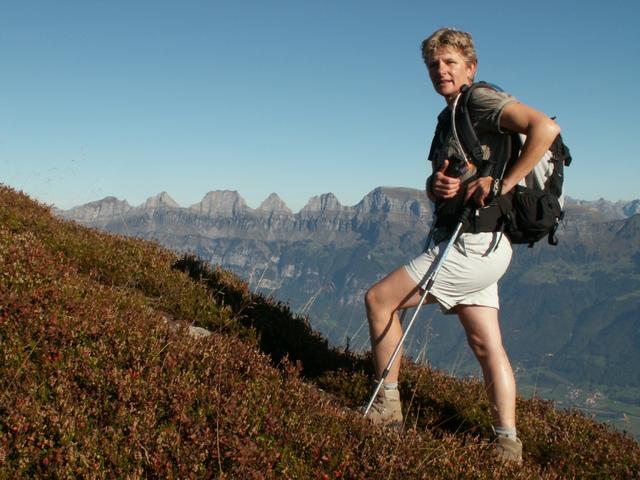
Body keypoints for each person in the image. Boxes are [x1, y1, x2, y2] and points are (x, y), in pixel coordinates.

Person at [363, 28, 560, 463]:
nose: (441, 70)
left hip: (472, 246)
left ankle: (386, 407)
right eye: (434, 64)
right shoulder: (447, 118)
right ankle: (507, 443)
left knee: (378, 300)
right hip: (484, 246)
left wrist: (503, 183)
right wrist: (437, 186)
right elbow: (446, 186)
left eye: (450, 62)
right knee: (487, 345)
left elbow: (544, 128)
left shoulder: (479, 101)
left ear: (470, 67)